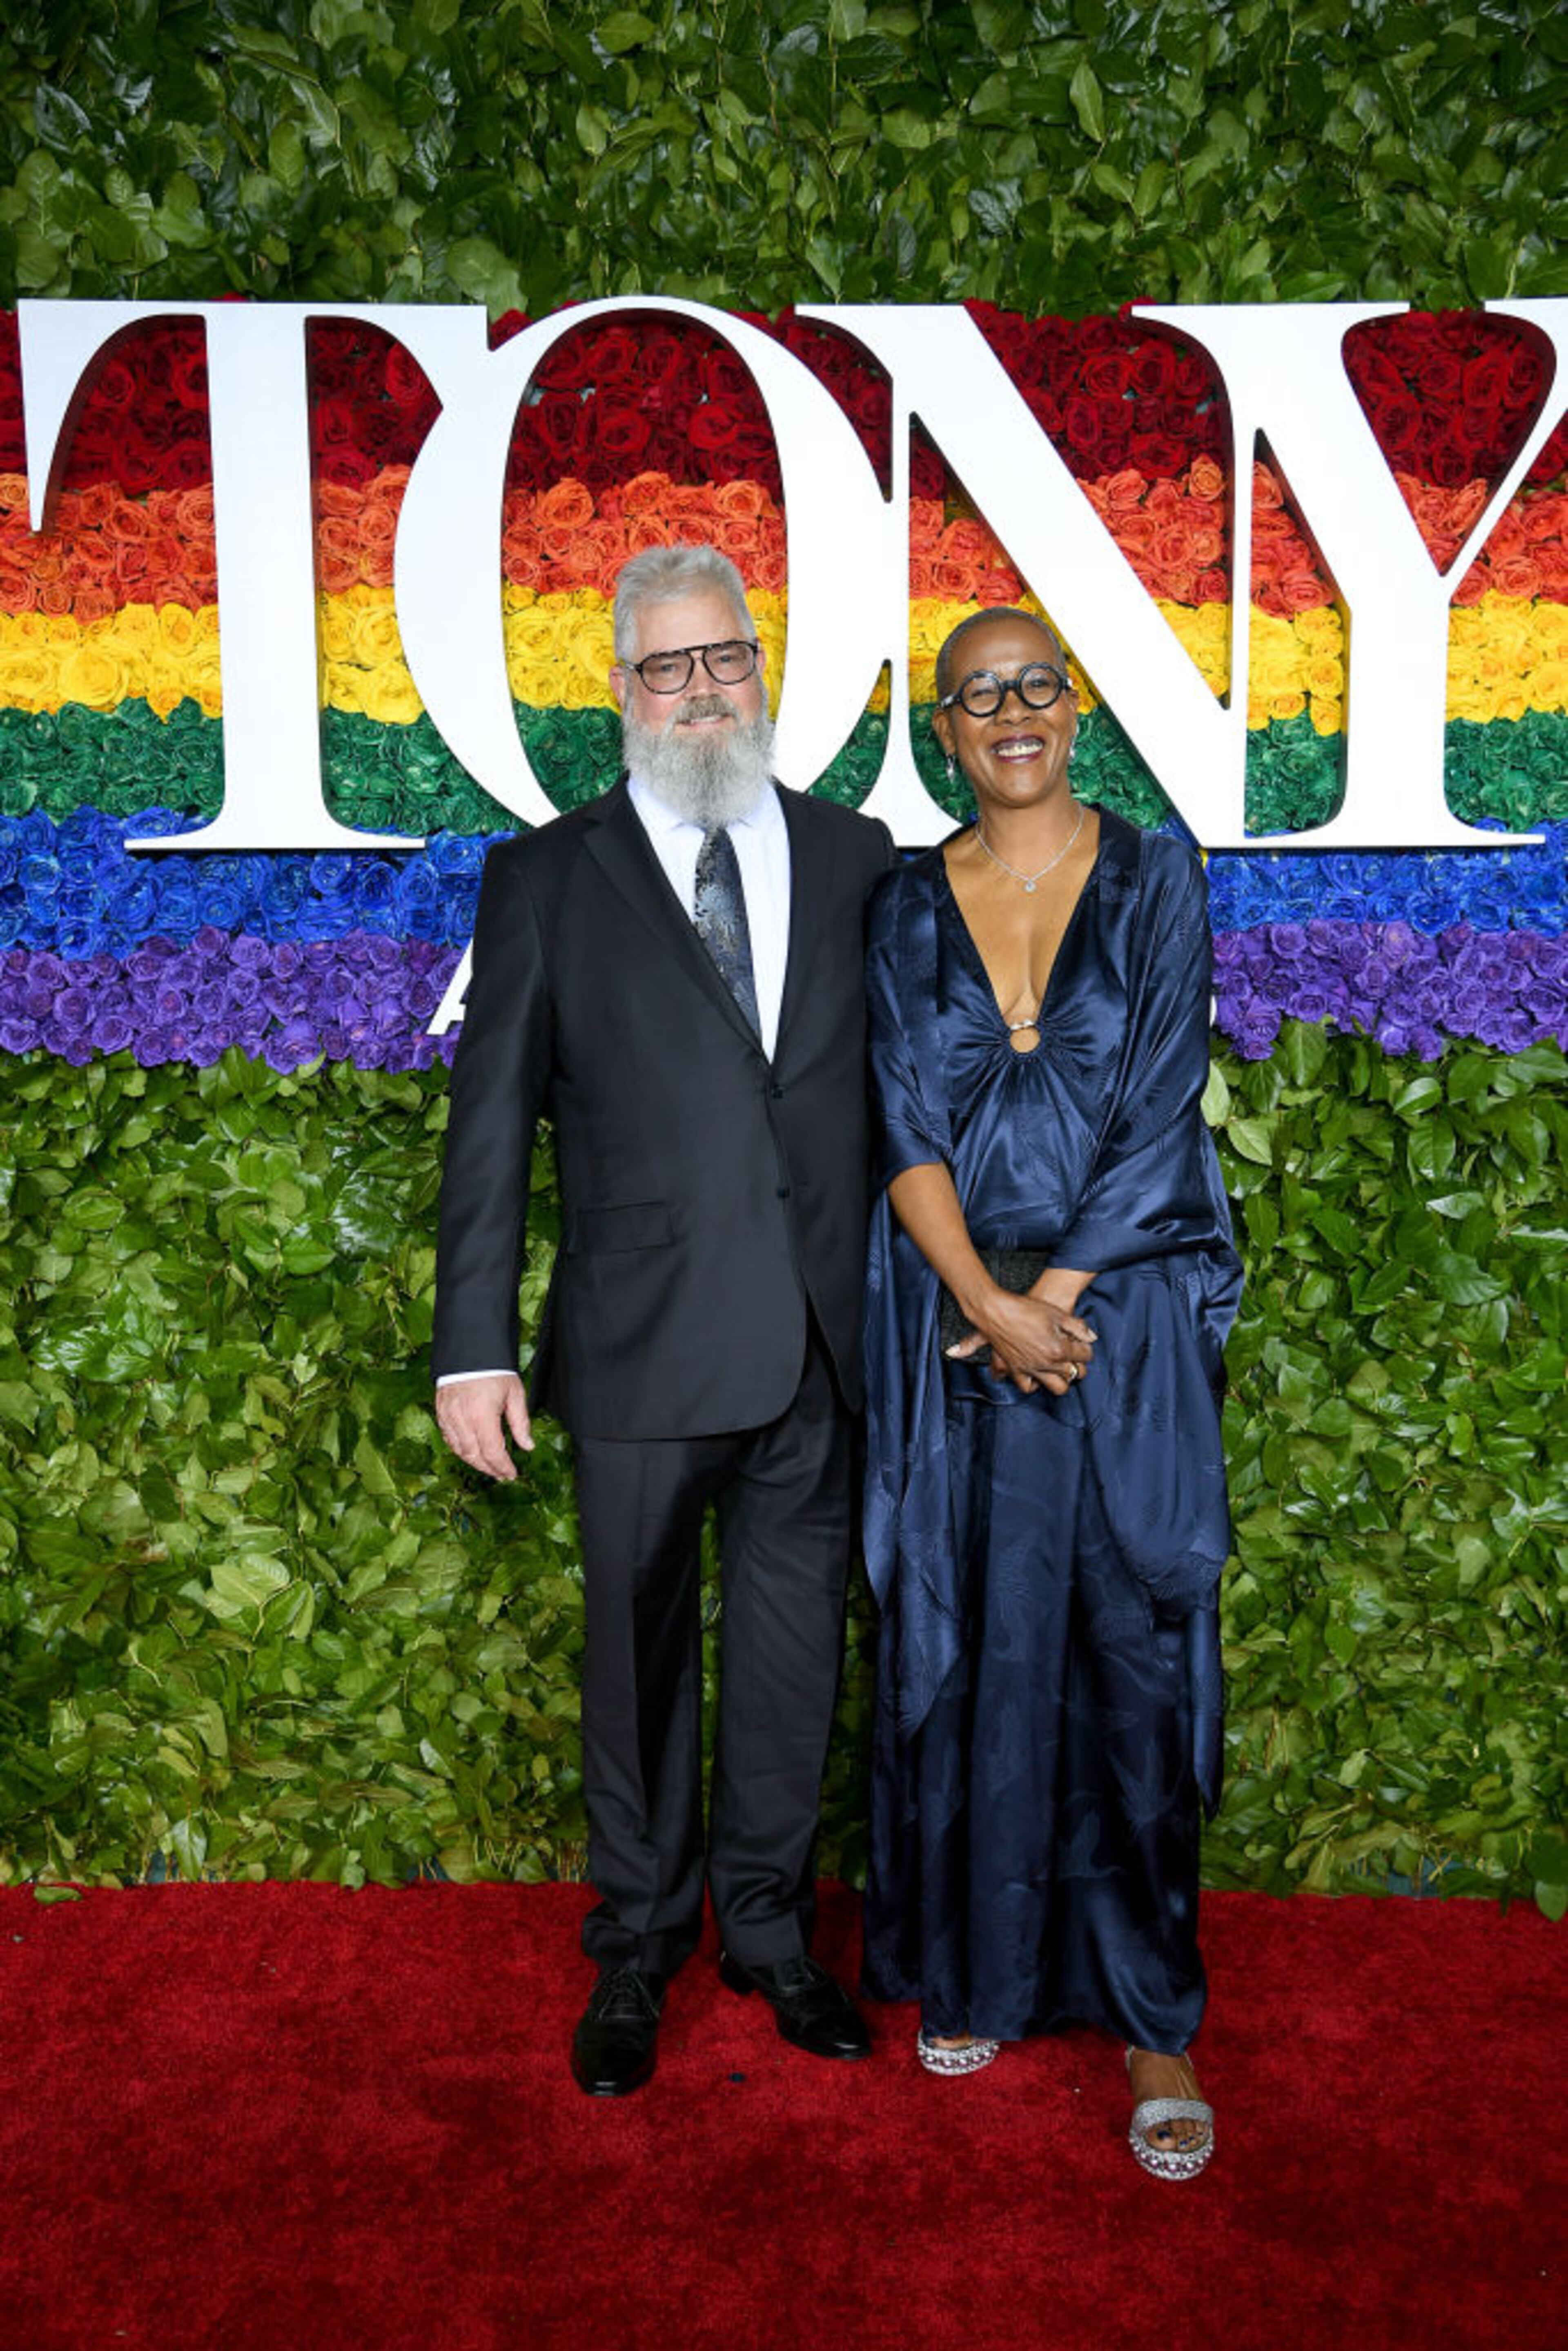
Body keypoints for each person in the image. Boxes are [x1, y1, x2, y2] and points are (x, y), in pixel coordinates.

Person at [433, 542, 895, 2096]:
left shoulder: (860, 854)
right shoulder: (547, 877)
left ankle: (770, 1934)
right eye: (666, 667)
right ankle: (638, 1943)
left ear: (760, 666)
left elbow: (905, 1104)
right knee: (633, 1661)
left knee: (787, 1655)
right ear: (619, 689)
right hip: (636, 1344)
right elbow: (491, 1126)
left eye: (725, 659)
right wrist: (474, 1345)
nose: (701, 691)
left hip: (823, 1343)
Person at [860, 605, 1241, 2180]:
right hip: (961, 1327)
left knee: (1129, 1660)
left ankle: (1157, 2019)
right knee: (977, 1646)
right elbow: (897, 1117)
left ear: (1073, 708)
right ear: (944, 732)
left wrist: (1053, 1306)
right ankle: (983, 1972)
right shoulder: (899, 902)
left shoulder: (1158, 879)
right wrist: (983, 1303)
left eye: (1035, 685)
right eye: (976, 696)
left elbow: (1159, 1113)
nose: (1010, 711)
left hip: (1119, 1326)